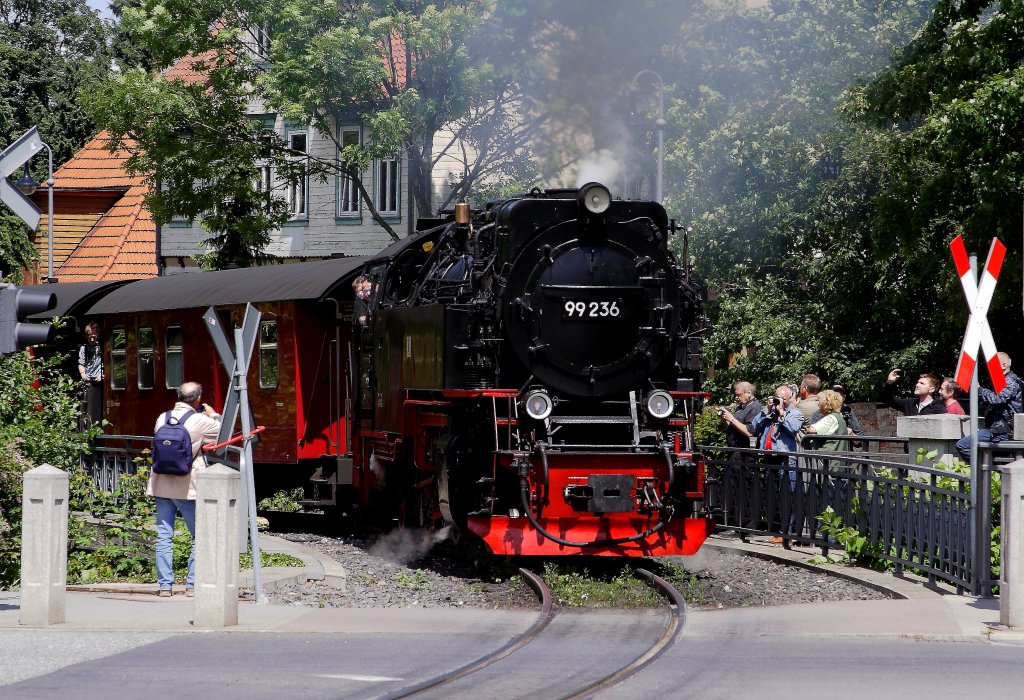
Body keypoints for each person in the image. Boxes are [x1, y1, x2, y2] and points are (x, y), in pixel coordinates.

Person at [148, 382, 222, 597]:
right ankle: (192, 584)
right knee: (199, 535)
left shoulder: (162, 417)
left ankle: (165, 586)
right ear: (198, 399)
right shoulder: (201, 420)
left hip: (161, 484)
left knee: (164, 537)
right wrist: (213, 415)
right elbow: (221, 434)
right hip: (187, 485)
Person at [956, 352, 1022, 463]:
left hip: (1001, 431)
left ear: (1003, 366)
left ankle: (985, 473)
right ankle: (990, 473)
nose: (989, 369)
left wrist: (979, 389)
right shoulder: (1005, 382)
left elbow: (996, 399)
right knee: (1005, 466)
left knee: (963, 445)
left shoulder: (1009, 381)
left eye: (992, 365)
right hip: (998, 429)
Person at [718, 381, 763, 448]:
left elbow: (750, 433)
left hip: (744, 453)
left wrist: (731, 418)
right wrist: (724, 419)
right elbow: (731, 428)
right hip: (734, 450)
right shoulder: (740, 407)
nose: (736, 397)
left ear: (749, 393)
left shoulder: (755, 408)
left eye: (739, 395)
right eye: (735, 395)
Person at [805, 389, 848, 453]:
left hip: (828, 459)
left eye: (819, 402)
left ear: (825, 404)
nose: (818, 405)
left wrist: (807, 429)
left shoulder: (831, 418)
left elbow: (812, 430)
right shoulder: (839, 416)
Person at [78, 321, 103, 426]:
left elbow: (106, 363)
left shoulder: (101, 347)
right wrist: (83, 374)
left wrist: (102, 374)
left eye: (94, 336)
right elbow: (81, 363)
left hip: (99, 380)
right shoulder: (83, 348)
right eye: (89, 337)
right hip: (88, 381)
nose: (92, 339)